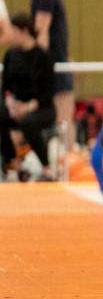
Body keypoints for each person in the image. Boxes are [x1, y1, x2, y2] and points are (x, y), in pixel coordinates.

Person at [1, 13, 56, 180]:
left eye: (14, 30)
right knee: (1, 115)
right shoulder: (11, 55)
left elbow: (48, 92)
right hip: (16, 104)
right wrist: (10, 102)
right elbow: (6, 86)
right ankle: (13, 161)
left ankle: (46, 167)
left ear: (25, 31)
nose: (11, 35)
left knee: (28, 122)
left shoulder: (44, 57)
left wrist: (28, 107)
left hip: (41, 107)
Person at [31, 0, 74, 138]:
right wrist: (44, 64)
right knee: (65, 117)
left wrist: (67, 57)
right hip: (53, 63)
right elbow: (41, 30)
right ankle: (70, 164)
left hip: (58, 58)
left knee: (65, 118)